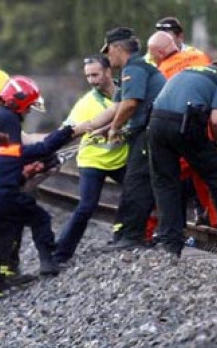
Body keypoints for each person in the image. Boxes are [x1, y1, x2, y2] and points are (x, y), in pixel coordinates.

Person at [0, 126, 81, 312]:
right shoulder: (11, 151)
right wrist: (68, 131)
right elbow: (45, 147)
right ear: (4, 144)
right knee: (39, 218)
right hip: (4, 198)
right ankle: (47, 261)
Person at [80, 27, 166, 251]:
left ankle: (132, 236)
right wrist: (104, 128)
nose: (108, 57)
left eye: (108, 51)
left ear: (118, 48)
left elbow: (130, 104)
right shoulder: (132, 70)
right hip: (147, 131)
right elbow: (118, 108)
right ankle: (127, 234)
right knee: (136, 181)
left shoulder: (134, 68)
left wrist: (115, 128)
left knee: (137, 183)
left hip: (151, 131)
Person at [148, 60, 217, 256]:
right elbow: (216, 119)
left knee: (165, 183)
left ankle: (170, 243)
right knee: (214, 172)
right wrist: (216, 143)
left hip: (156, 123)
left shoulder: (184, 71)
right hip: (185, 124)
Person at [53, 55, 128, 264]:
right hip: (93, 161)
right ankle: (60, 254)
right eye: (87, 76)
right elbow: (66, 131)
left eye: (95, 74)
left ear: (108, 72)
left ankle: (122, 232)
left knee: (138, 190)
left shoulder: (126, 91)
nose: (91, 80)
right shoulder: (85, 104)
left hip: (120, 157)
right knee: (87, 207)